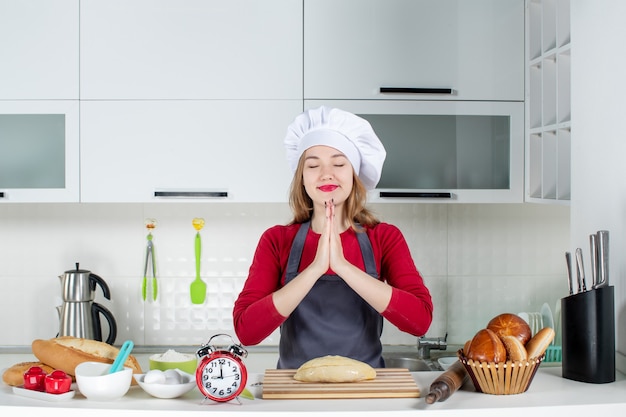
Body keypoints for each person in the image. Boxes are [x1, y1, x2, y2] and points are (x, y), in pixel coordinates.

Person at [232, 106, 433, 369]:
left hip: (365, 393)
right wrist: (314, 269)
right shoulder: (277, 240)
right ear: (302, 179)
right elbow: (247, 332)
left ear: (354, 174)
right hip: (295, 392)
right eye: (313, 165)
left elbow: (419, 322)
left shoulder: (384, 238)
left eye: (339, 163)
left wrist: (343, 268)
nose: (327, 173)